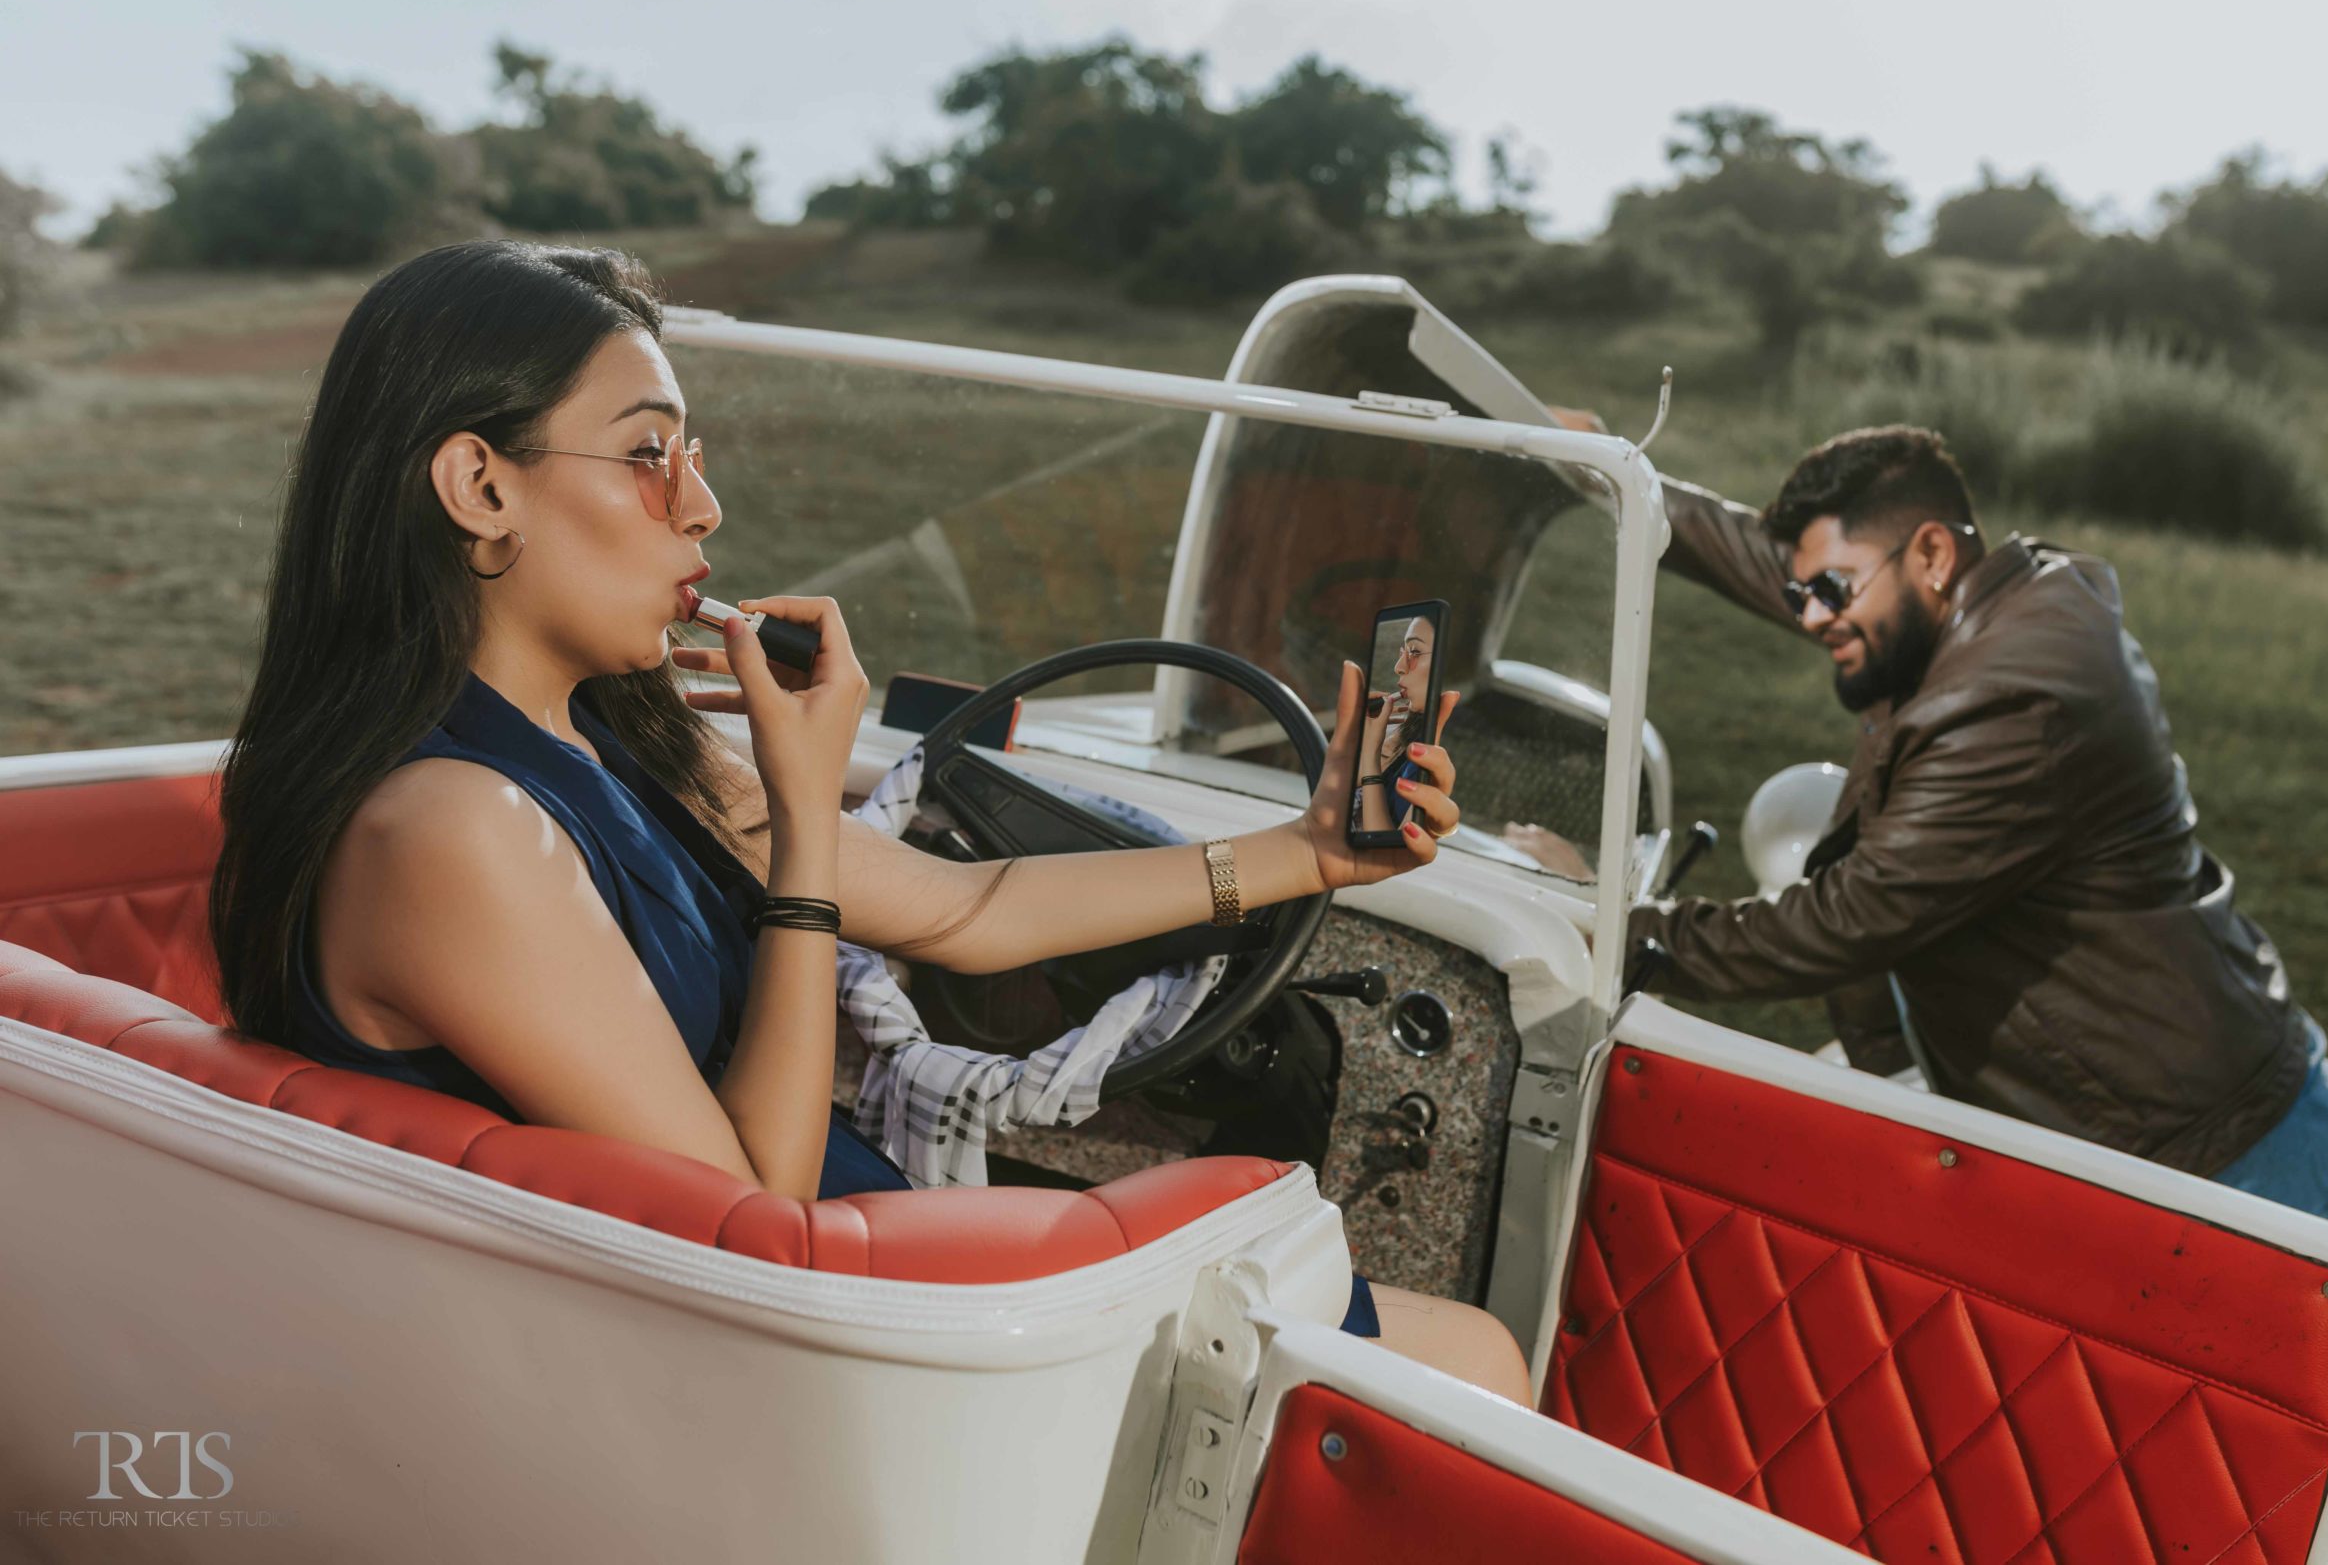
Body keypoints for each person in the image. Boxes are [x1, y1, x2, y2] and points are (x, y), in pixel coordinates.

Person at [207, 239, 1530, 1401]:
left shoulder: (621, 737)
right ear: (480, 486)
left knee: (1453, 1348)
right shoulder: (449, 829)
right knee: (1471, 1362)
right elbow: (751, 1212)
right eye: (649, 455)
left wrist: (1308, 852)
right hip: (801, 1352)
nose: (704, 508)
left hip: (867, 1266)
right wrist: (797, 814)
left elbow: (967, 909)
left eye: (696, 457)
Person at [1622, 423, 2328, 1219]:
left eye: (1831, 591)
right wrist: (1619, 475)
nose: (1810, 616)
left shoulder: (2012, 703)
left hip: (2208, 1158)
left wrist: (1615, 935)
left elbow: (1849, 919)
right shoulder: (1969, 613)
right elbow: (1782, 567)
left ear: (1933, 555)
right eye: (1809, 592)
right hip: (2156, 1125)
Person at [1353, 613, 1437, 836]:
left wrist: (1370, 757)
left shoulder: (1426, 762)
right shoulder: (1401, 739)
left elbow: (1380, 841)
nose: (1398, 667)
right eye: (1404, 653)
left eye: (1415, 652)